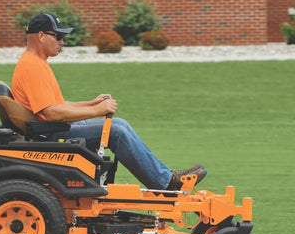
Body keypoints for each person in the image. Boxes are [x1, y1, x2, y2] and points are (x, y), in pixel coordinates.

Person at [11, 13, 206, 191]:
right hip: (50, 135)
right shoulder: (32, 67)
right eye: (58, 36)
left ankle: (165, 176)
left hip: (50, 128)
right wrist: (98, 111)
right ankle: (165, 183)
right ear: (42, 36)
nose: (62, 42)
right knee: (117, 132)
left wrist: (91, 104)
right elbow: (52, 113)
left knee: (119, 124)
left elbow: (58, 105)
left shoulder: (36, 63)